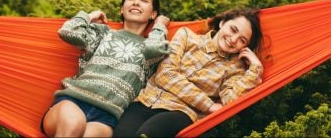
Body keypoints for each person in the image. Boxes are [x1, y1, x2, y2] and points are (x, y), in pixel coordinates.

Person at [41, 0, 171, 138]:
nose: (136, 2)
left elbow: (154, 49)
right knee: (73, 125)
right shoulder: (103, 33)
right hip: (73, 101)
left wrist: (160, 26)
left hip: (106, 118)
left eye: (144, 0)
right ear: (122, 9)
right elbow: (68, 31)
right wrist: (89, 16)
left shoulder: (153, 50)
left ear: (153, 14)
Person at [113, 8, 264, 138]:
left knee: (146, 135)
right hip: (146, 100)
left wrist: (255, 69)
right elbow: (165, 74)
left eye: (242, 40)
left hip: (182, 113)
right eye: (233, 29)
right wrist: (209, 105)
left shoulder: (235, 69)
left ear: (245, 47)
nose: (233, 39)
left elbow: (229, 103)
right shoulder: (186, 36)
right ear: (223, 23)